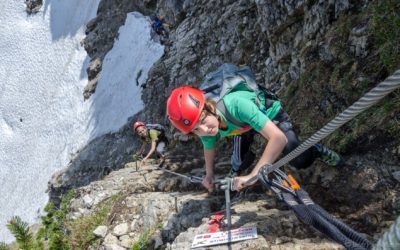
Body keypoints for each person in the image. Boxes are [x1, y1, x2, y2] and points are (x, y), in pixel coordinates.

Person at [166, 85, 344, 192]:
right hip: (242, 127)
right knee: (238, 164)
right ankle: (239, 168)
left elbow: (278, 138)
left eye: (203, 121)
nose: (205, 130)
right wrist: (210, 174)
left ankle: (315, 150)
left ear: (210, 108)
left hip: (267, 113)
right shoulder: (208, 127)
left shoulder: (236, 105)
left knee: (300, 159)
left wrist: (253, 176)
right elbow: (208, 146)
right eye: (196, 130)